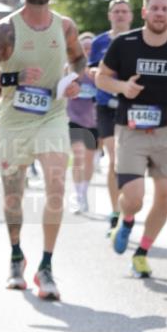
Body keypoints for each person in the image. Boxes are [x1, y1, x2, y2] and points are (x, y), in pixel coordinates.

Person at [0, 0, 85, 299]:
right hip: (15, 121)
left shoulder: (65, 27)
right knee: (13, 195)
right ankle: (16, 255)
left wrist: (74, 78)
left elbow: (78, 60)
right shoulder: (6, 29)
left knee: (56, 185)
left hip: (52, 114)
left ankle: (46, 266)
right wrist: (13, 78)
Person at [95, 0, 167, 278]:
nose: (159, 13)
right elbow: (101, 77)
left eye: (164, 9)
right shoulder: (124, 43)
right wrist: (123, 87)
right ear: (145, 12)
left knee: (164, 195)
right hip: (130, 130)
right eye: (154, 8)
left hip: (165, 131)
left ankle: (142, 252)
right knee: (133, 198)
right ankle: (127, 219)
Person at [88, 0, 133, 234]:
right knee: (115, 158)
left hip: (132, 106)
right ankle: (116, 212)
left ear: (132, 16)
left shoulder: (139, 39)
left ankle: (129, 206)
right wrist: (97, 72)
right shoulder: (99, 42)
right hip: (106, 105)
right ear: (110, 16)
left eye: (124, 11)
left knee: (131, 161)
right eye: (116, 11)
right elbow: (91, 68)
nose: (120, 15)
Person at [66, 31, 98, 213]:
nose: (87, 50)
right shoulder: (70, 70)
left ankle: (83, 191)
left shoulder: (99, 71)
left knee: (88, 160)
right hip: (74, 119)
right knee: (77, 156)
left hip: (93, 121)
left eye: (90, 47)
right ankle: (77, 196)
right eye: (84, 47)